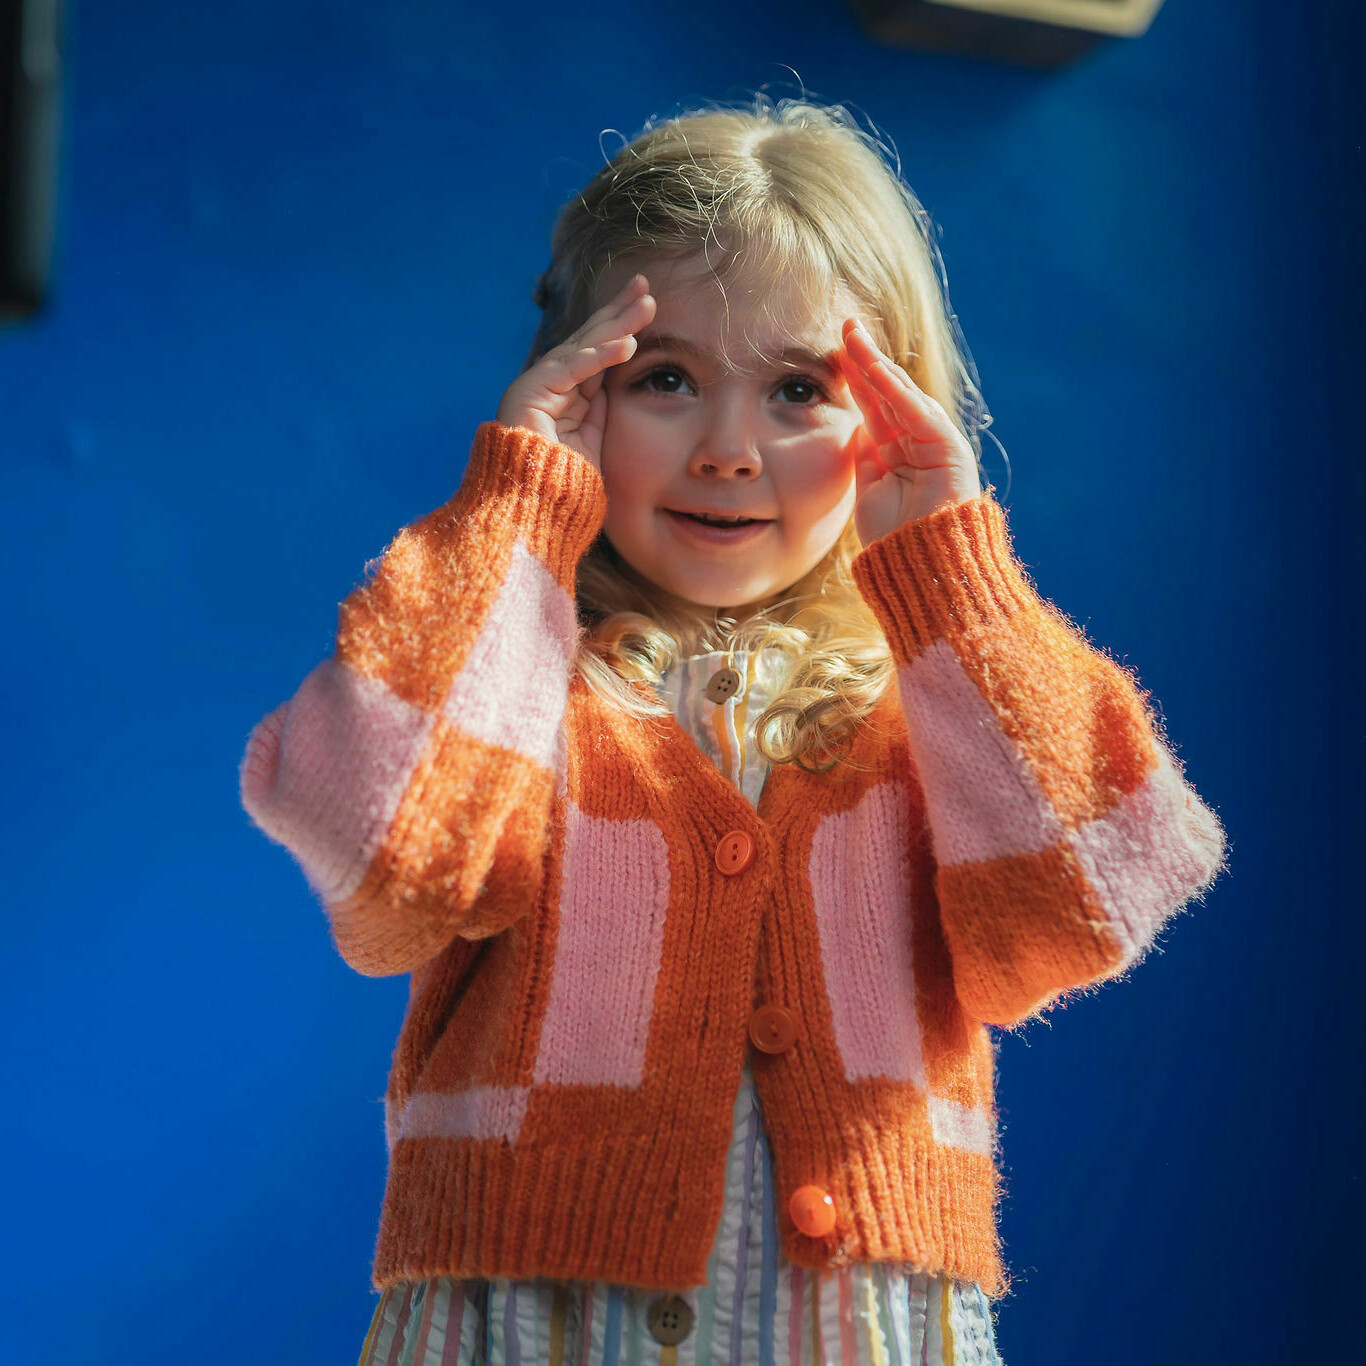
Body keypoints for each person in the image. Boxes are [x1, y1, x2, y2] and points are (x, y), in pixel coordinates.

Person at [239, 97, 1227, 1366]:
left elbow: (1092, 898)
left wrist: (949, 566)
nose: (727, 449)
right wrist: (514, 505)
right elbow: (381, 859)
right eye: (664, 379)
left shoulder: (942, 705)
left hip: (860, 1326)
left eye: (800, 389)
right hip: (527, 1323)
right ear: (577, 393)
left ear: (890, 418)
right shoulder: (510, 686)